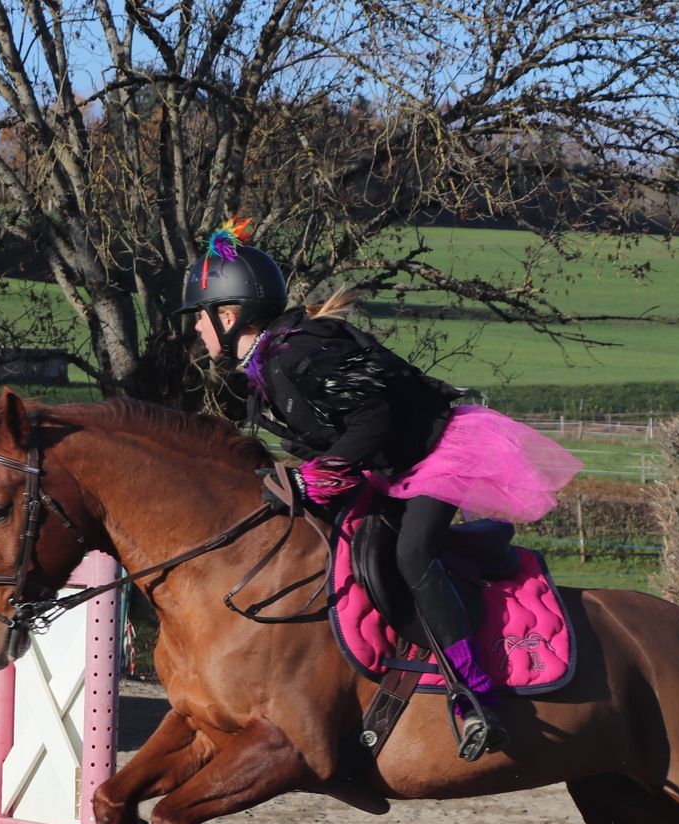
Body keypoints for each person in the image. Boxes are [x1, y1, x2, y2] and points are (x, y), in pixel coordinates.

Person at [177, 218, 581, 761]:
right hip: (389, 463)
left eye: (198, 321)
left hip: (438, 450)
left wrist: (313, 477)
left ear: (227, 316)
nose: (196, 333)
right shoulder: (266, 369)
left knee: (412, 554)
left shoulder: (296, 352)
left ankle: (474, 695)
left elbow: (374, 420)